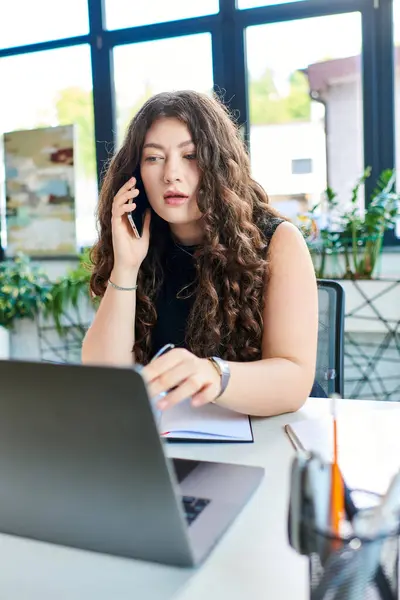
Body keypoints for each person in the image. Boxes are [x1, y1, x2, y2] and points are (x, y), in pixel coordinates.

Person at [82, 90, 321, 417]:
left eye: (190, 155)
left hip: (274, 433)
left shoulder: (278, 240)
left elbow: (294, 379)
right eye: (154, 158)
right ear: (135, 175)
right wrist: (125, 265)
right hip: (177, 437)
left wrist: (212, 373)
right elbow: (104, 378)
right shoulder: (141, 245)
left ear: (218, 163)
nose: (171, 174)